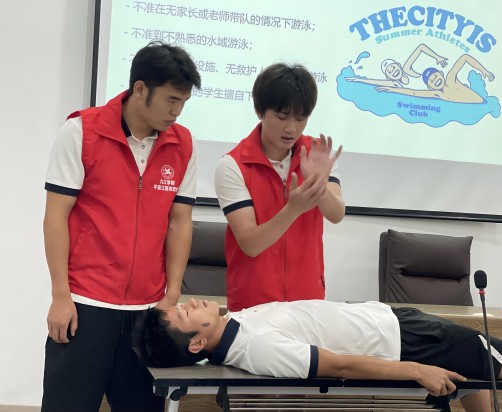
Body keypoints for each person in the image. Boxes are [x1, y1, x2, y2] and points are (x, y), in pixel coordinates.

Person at [41, 41, 201, 412]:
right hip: (85, 305)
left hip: (147, 310)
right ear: (140, 89)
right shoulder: (82, 132)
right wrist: (61, 295)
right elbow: (56, 216)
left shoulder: (183, 144)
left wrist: (172, 294)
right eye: (171, 100)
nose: (176, 112)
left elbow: (179, 222)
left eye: (183, 102)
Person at [134, 298, 502, 412]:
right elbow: (339, 365)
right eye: (184, 313)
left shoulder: (231, 326)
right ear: (196, 343)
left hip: (392, 321)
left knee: (474, 376)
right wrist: (416, 370)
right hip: (406, 341)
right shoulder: (257, 348)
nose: (189, 303)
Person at [214, 63, 345, 312]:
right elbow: (250, 243)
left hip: (308, 301)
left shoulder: (317, 154)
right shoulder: (233, 165)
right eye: (282, 117)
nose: (291, 128)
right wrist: (292, 210)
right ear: (259, 111)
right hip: (252, 304)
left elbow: (337, 214)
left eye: (300, 118)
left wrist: (318, 185)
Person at [377, 53, 495, 103]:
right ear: (430, 87)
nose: (435, 80)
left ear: (441, 73)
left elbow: (464, 58)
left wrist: (484, 70)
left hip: (483, 103)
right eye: (431, 81)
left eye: (435, 76)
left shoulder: (450, 79)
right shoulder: (438, 94)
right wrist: (393, 90)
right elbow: (413, 92)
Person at [346, 43, 448, 87]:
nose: (393, 71)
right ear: (388, 77)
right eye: (389, 72)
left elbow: (421, 47)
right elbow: (374, 81)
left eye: (394, 67)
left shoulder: (407, 69)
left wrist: (437, 57)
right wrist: (358, 80)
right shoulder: (395, 84)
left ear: (399, 65)